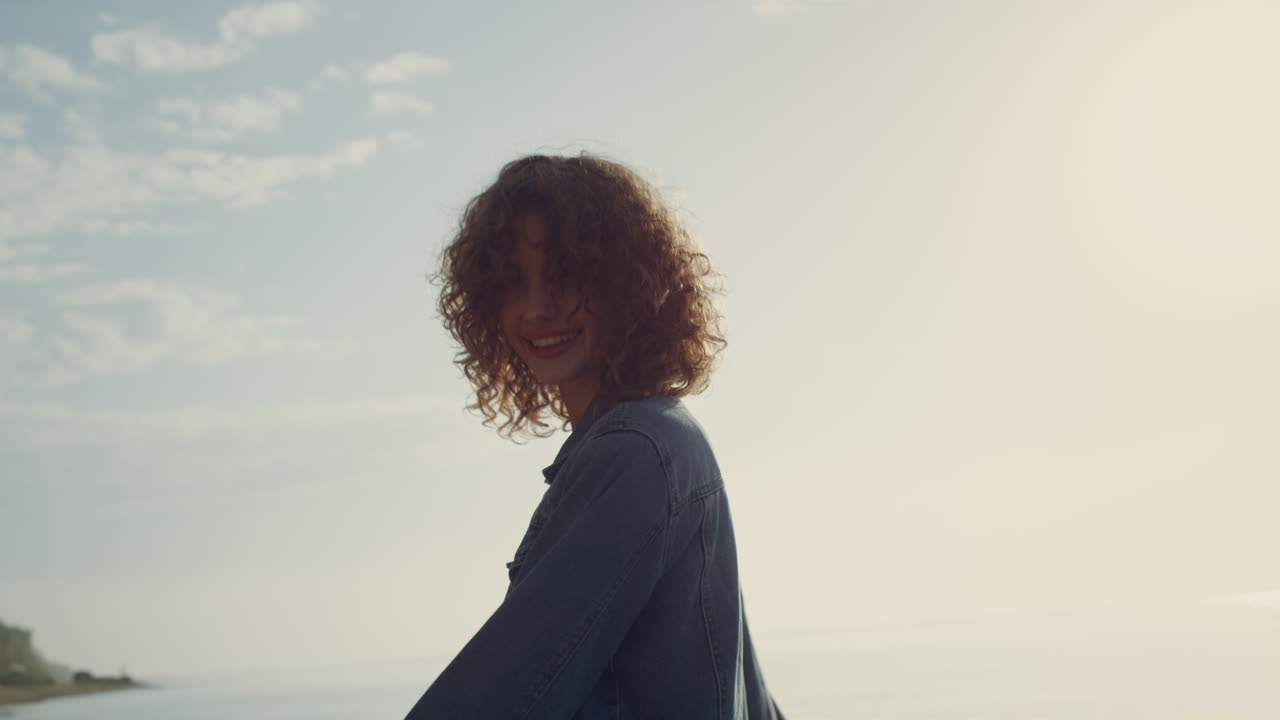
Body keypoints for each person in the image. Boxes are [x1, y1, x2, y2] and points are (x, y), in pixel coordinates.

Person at [405, 153, 785, 719]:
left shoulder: (638, 449)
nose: (539, 309)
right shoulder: (658, 437)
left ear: (628, 281)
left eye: (565, 275)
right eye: (512, 283)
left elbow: (508, 694)